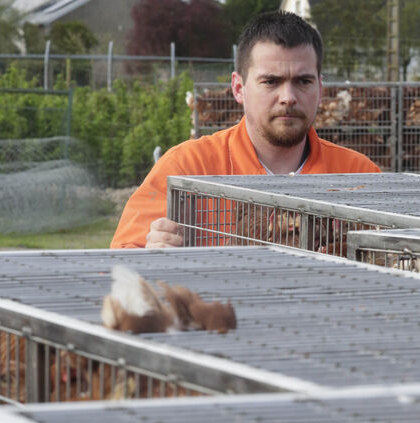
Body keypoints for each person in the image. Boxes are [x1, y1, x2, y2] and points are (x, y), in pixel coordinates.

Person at [111, 11, 380, 250]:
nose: (288, 97)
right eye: (271, 81)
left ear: (320, 89)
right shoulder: (186, 168)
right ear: (239, 88)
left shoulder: (359, 176)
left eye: (303, 81)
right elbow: (117, 264)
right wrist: (150, 255)